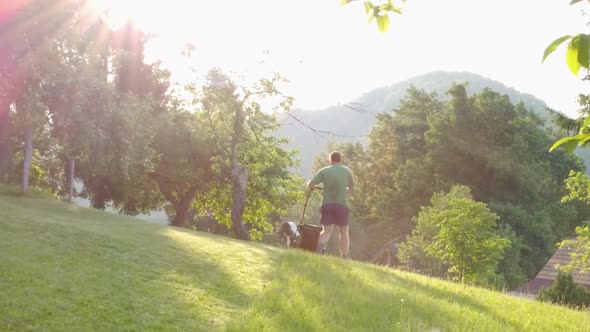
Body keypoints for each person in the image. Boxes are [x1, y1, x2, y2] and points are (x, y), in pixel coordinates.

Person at [308, 151, 354, 258]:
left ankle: (316, 252)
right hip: (341, 205)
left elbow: (311, 185)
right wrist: (343, 191)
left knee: (326, 231)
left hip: (327, 204)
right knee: (343, 231)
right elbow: (351, 189)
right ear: (340, 160)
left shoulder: (324, 171)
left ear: (330, 160)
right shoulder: (347, 171)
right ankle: (344, 257)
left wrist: (311, 186)